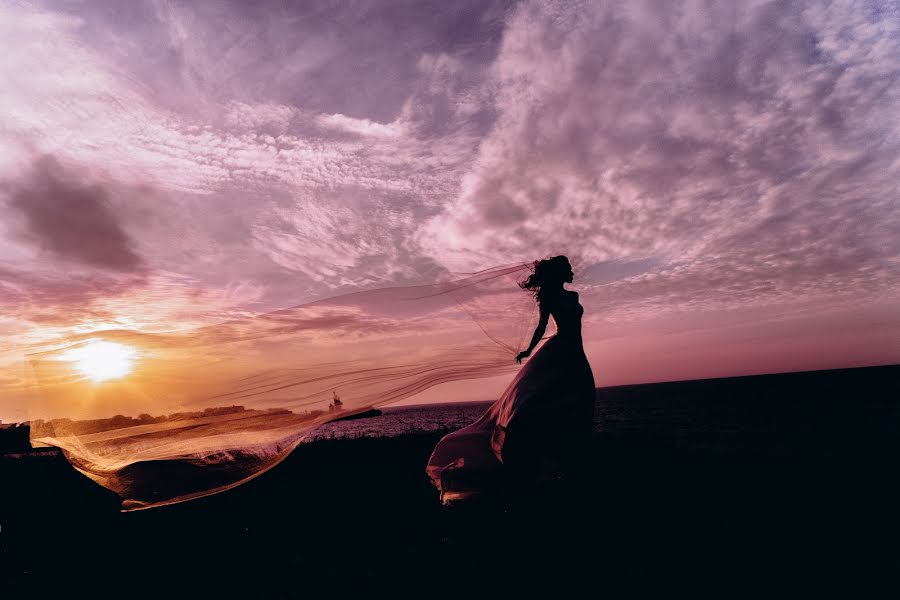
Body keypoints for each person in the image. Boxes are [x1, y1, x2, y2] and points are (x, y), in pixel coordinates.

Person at [425, 255, 596, 502]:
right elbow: (541, 326)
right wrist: (528, 351)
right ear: (558, 272)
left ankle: (566, 457)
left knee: (579, 397)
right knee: (535, 400)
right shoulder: (549, 297)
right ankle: (524, 456)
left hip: (575, 352)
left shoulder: (574, 296)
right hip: (558, 352)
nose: (571, 270)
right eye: (566, 268)